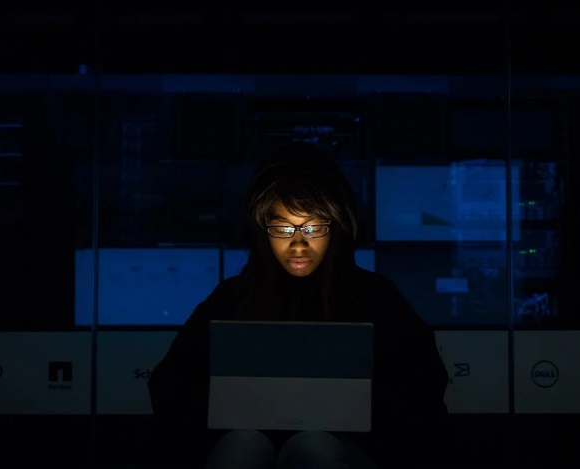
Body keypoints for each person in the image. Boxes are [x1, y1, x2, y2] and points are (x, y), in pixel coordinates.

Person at [147, 141, 449, 468]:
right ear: (263, 231)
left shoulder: (375, 298)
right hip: (245, 445)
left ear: (336, 228)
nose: (298, 244)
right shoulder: (233, 297)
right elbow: (171, 387)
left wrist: (359, 410)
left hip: (347, 448)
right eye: (283, 228)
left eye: (313, 227)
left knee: (314, 447)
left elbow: (422, 393)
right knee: (243, 446)